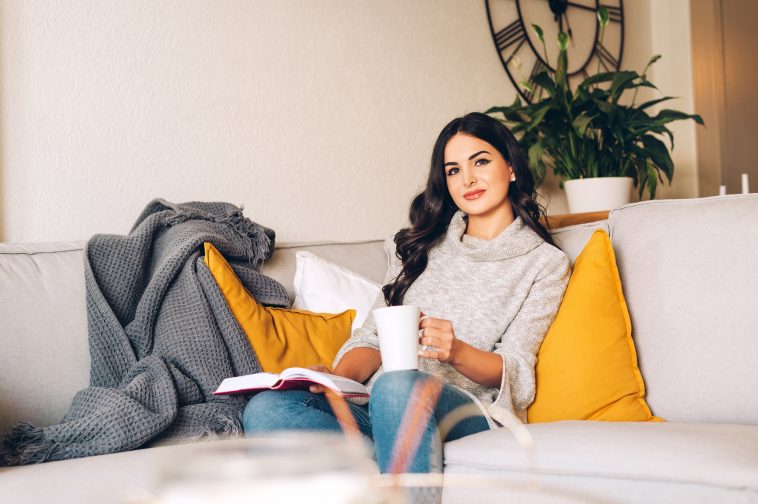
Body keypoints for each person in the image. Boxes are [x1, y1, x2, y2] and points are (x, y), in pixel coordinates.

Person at [241, 111, 571, 500]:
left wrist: (458, 352)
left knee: (397, 387)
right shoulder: (418, 247)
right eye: (452, 170)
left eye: (480, 161)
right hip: (377, 405)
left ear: (511, 167)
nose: (467, 179)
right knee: (266, 408)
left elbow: (515, 368)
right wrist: (334, 380)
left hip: (466, 411)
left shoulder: (544, 263)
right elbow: (371, 337)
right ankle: (391, 468)